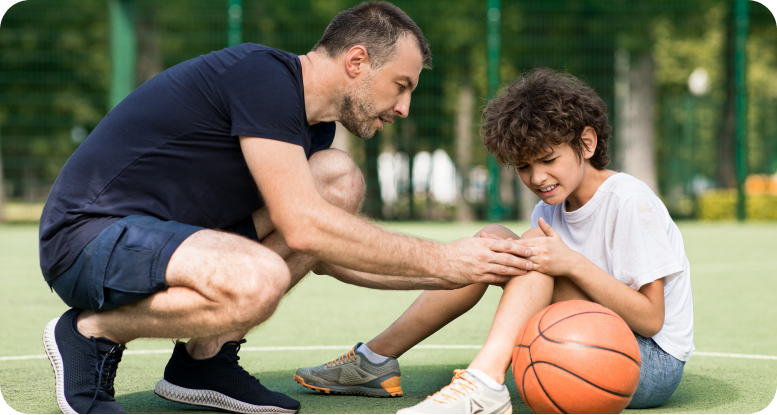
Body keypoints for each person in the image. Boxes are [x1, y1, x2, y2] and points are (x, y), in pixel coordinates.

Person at [38, 3, 534, 414]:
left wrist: (463, 270)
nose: (403, 107)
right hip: (89, 239)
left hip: (165, 241)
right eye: (401, 85)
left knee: (336, 179)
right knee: (259, 277)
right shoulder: (262, 76)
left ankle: (204, 360)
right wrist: (442, 259)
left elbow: (327, 252)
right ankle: (89, 333)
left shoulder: (313, 128)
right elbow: (303, 226)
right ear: (357, 62)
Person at [295, 68, 694, 414]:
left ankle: (485, 381)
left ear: (586, 144)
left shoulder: (628, 199)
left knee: (533, 251)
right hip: (586, 338)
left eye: (548, 159)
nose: (537, 177)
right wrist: (556, 259)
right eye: (524, 166)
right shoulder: (549, 210)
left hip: (646, 361)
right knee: (494, 241)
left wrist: (570, 262)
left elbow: (650, 319)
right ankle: (375, 360)